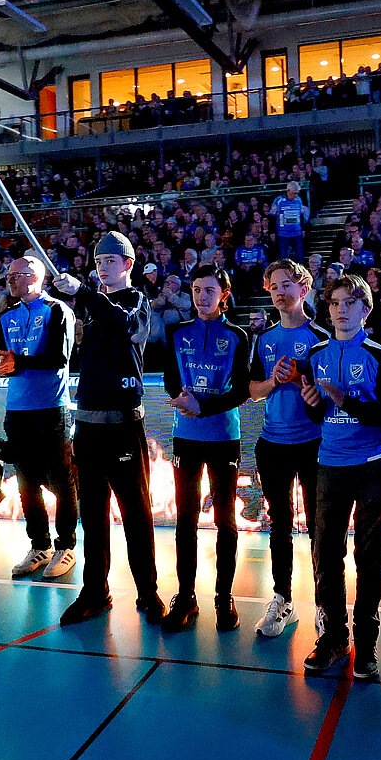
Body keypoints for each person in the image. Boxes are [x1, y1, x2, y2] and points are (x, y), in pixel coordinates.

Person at [300, 273, 381, 679]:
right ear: (327, 310)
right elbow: (318, 414)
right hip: (330, 463)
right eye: (334, 303)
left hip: (375, 465)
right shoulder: (314, 354)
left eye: (350, 303)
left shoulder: (379, 354)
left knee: (370, 556)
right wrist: (313, 403)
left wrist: (347, 400)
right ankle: (333, 638)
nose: (341, 310)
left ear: (365, 309)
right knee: (325, 554)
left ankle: (366, 643)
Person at [53, 233, 165, 626]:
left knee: (136, 512)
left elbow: (122, 325)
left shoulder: (136, 303)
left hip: (122, 429)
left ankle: (148, 591)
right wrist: (78, 297)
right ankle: (95, 591)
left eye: (112, 260)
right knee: (93, 515)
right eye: (99, 260)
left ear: (129, 265)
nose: (103, 266)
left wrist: (83, 292)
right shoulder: (90, 306)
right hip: (87, 426)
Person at [160, 265, 252, 632]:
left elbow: (242, 389)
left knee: (225, 520)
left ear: (224, 294)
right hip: (185, 436)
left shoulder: (238, 335)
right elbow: (169, 376)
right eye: (196, 289)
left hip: (223, 437)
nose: (202, 296)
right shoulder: (177, 331)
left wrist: (205, 407)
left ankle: (223, 595)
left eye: (210, 290)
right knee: (185, 519)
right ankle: (185, 596)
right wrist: (179, 398)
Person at [246, 259, 327, 637]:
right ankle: (283, 600)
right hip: (272, 444)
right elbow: (253, 390)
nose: (280, 291)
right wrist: (274, 382)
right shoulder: (263, 339)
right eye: (274, 286)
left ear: (304, 289)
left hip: (313, 444)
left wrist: (308, 389)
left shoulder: (323, 337)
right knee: (279, 527)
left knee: (319, 527)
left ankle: (325, 603)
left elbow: (329, 398)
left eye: (287, 285)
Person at [0, 255, 78, 580]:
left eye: (18, 275)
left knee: (60, 482)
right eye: (9, 275)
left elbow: (59, 357)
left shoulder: (57, 310)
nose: (11, 280)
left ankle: (66, 545)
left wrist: (18, 364)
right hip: (17, 412)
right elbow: (3, 359)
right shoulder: (8, 315)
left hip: (51, 409)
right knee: (27, 484)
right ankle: (39, 545)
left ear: (36, 277)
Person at [270, 180, 309, 263]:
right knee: (284, 258)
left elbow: (301, 215)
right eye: (294, 193)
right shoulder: (279, 200)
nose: (296, 195)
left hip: (296, 233)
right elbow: (272, 216)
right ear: (288, 191)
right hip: (283, 234)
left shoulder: (299, 200)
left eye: (297, 193)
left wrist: (303, 229)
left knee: (299, 256)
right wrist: (272, 232)